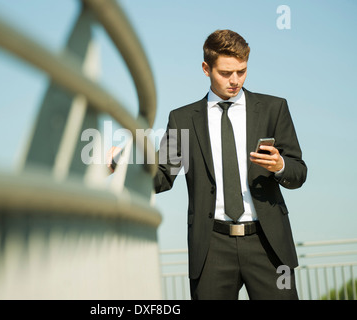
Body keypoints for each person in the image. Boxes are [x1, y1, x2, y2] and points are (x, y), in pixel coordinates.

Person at [109, 29, 307, 300]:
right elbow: (163, 175)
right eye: (226, 73)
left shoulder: (274, 108)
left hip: (268, 245)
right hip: (211, 247)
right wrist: (123, 162)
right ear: (206, 68)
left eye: (242, 71)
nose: (235, 80)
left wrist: (280, 165)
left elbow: (299, 172)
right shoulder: (182, 119)